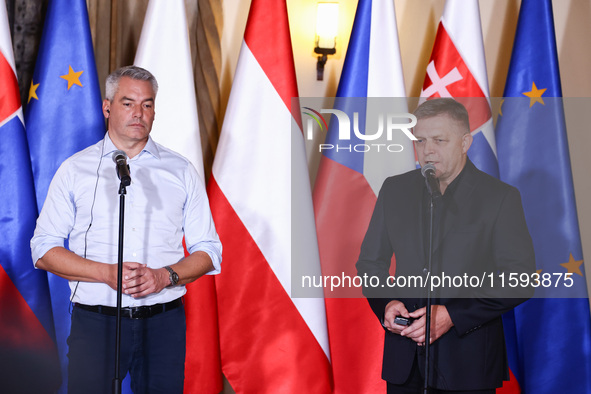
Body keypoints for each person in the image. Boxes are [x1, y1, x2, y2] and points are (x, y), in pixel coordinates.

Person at [31, 65, 222, 394]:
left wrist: (166, 276)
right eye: (128, 103)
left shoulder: (181, 170)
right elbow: (44, 250)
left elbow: (208, 250)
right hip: (96, 323)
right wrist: (105, 273)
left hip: (163, 323)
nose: (139, 113)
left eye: (147, 104)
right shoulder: (75, 170)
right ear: (107, 107)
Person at [356, 98, 535, 393]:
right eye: (421, 140)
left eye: (439, 140)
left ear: (465, 142)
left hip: (468, 364)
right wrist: (386, 302)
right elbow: (370, 263)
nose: (428, 150)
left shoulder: (499, 198)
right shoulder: (395, 189)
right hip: (406, 361)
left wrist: (452, 316)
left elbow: (520, 278)